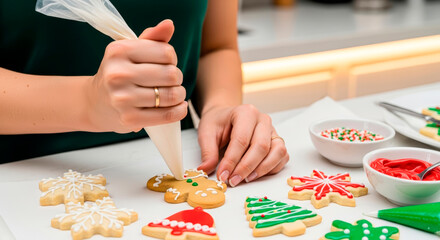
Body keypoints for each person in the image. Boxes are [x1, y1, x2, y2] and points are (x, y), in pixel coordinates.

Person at [0, 1, 289, 187]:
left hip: (187, 161)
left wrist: (220, 107)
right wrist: (87, 101)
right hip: (22, 176)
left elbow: (217, 46)